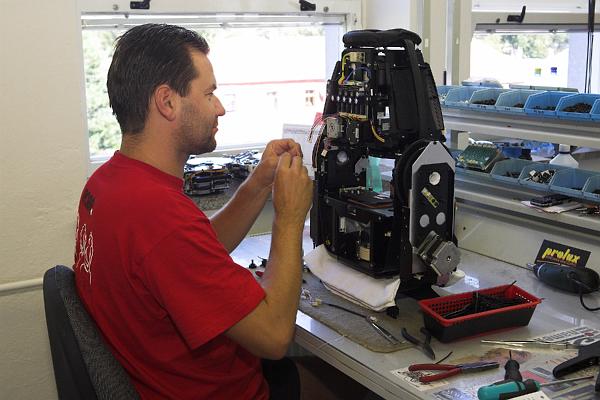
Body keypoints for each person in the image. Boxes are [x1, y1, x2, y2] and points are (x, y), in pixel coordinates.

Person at [74, 23, 313, 400]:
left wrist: (258, 184)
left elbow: (189, 255)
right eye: (209, 93)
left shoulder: (105, 185)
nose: (220, 108)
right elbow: (274, 336)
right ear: (167, 102)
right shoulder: (160, 216)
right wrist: (289, 217)